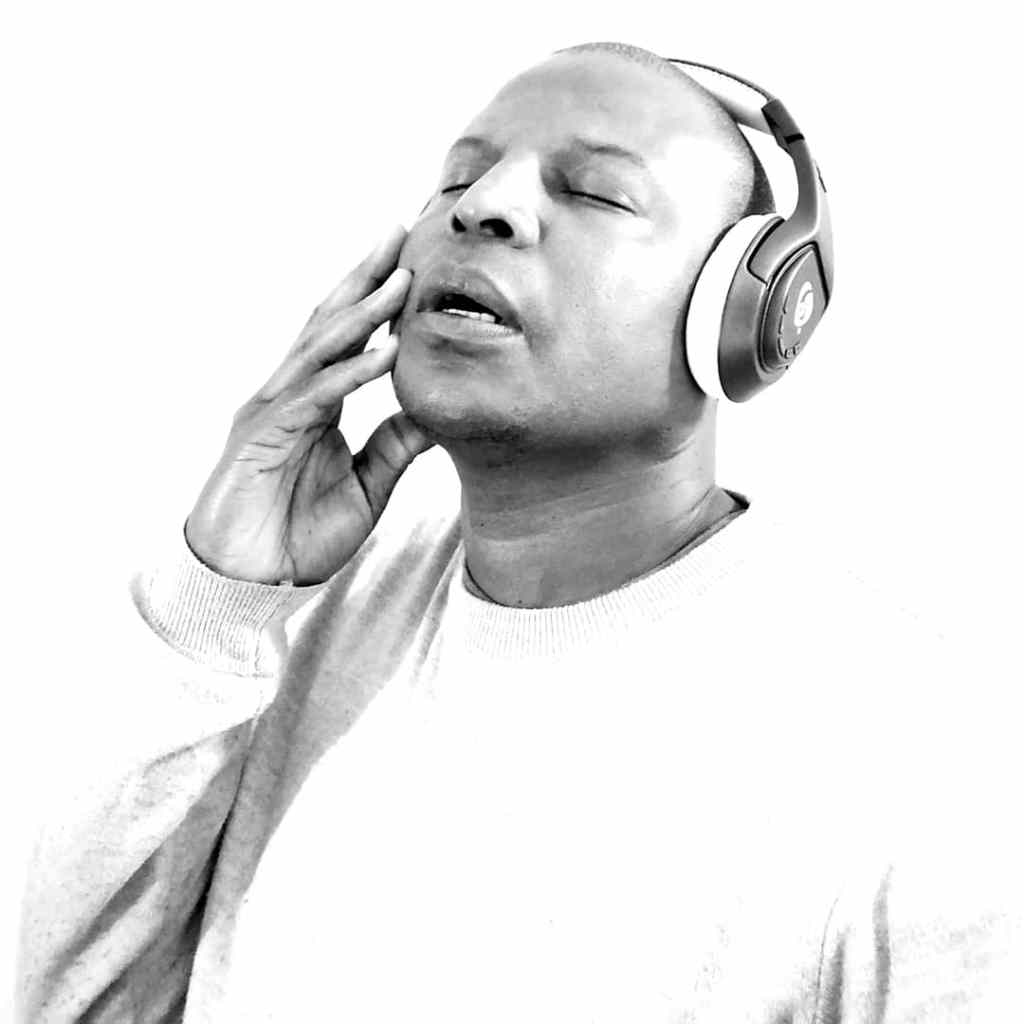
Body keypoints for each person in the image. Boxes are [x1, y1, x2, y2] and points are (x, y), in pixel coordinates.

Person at [17, 41, 1019, 1023]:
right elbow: (70, 1004)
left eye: (596, 192)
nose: (482, 205)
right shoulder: (301, 622)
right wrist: (217, 604)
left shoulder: (917, 751)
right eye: (457, 178)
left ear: (744, 313)